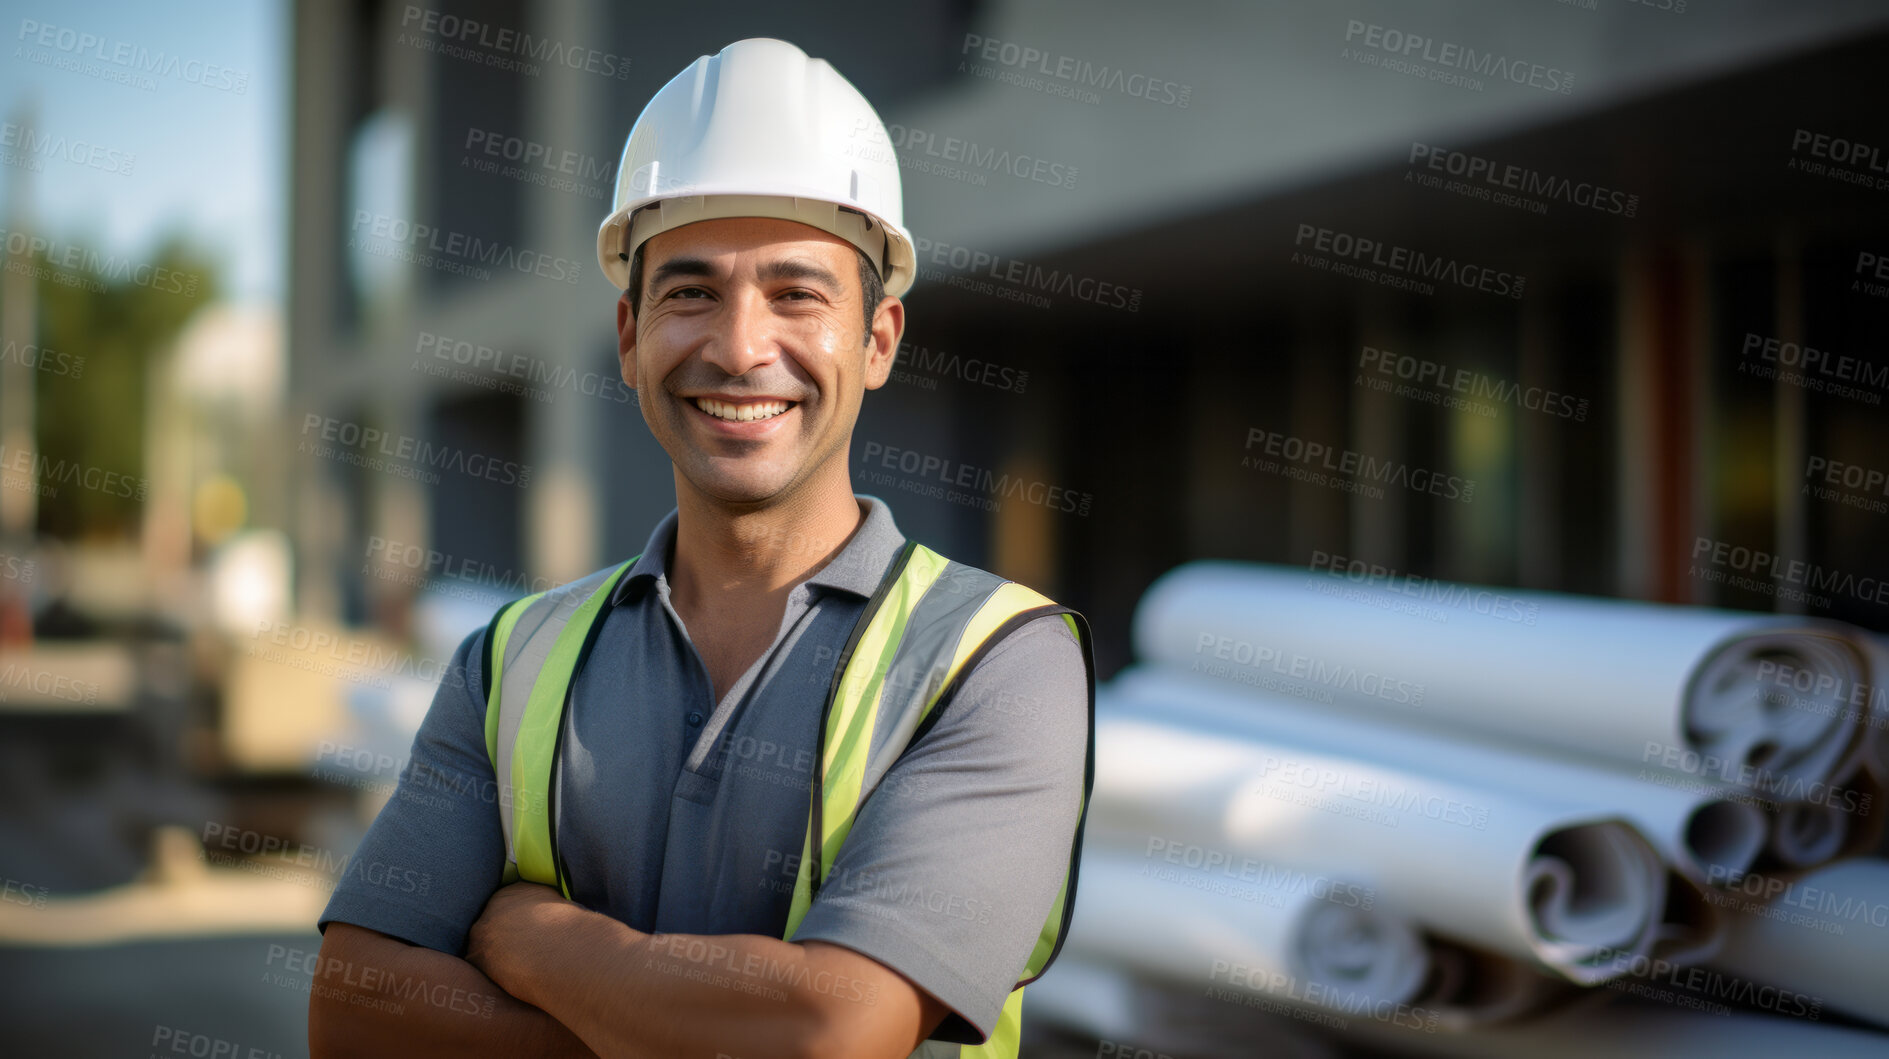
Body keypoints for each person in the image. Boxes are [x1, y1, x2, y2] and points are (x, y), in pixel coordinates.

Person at [309, 38, 1093, 1059]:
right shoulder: (509, 660)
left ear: (878, 340)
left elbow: (826, 1033)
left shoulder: (997, 660)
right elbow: (354, 1012)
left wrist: (529, 935)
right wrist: (693, 1024)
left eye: (796, 293)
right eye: (690, 293)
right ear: (630, 336)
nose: (737, 346)